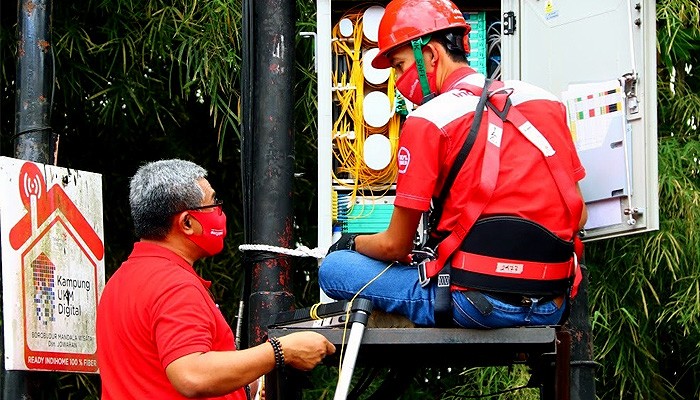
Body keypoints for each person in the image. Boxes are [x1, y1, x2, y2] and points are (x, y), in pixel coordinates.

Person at [319, 0, 588, 329]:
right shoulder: (545, 102)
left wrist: (351, 242)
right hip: (551, 304)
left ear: (430, 55)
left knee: (335, 268)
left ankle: (399, 317)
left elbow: (395, 245)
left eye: (400, 66)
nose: (399, 80)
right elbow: (579, 214)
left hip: (473, 304)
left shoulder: (428, 121)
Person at [97, 159, 335, 399]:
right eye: (212, 203)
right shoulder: (174, 285)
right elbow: (191, 375)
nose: (220, 212)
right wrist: (280, 351)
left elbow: (153, 378)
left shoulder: (119, 282)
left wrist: (249, 386)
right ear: (187, 223)